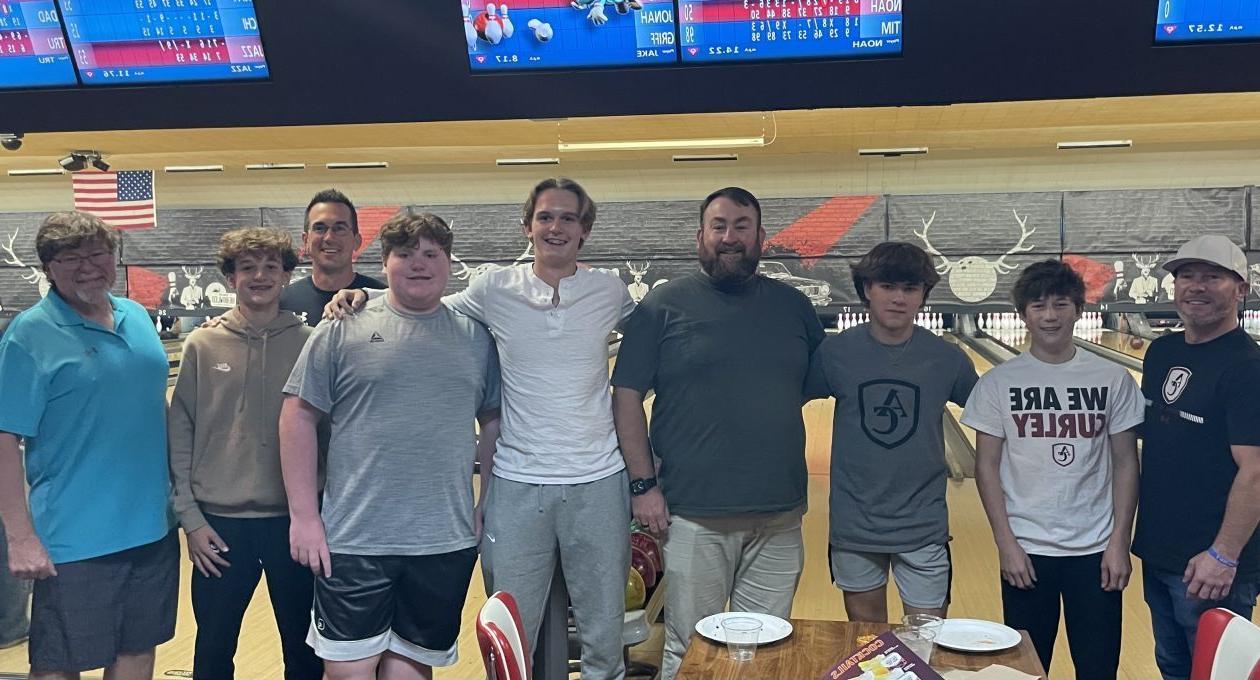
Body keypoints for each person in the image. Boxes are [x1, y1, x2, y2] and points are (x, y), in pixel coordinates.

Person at [327, 178, 636, 678]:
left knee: (604, 637)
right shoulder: (495, 288)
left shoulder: (608, 291)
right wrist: (360, 296)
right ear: (527, 226)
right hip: (515, 484)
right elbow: (423, 303)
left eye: (567, 218)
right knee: (511, 640)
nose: (555, 227)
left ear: (585, 231)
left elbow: (658, 339)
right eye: (545, 217)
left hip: (597, 480)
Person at [610, 187, 825, 680]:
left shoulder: (793, 307)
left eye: (742, 226)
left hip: (779, 516)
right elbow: (625, 398)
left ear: (761, 237)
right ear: (701, 237)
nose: (731, 237)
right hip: (693, 517)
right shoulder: (663, 306)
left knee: (766, 651)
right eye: (720, 226)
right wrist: (643, 486)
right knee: (693, 650)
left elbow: (813, 383)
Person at [281, 212, 501, 680]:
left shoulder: (475, 336)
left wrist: (488, 501)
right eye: (405, 254)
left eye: (430, 254)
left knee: (410, 673)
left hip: (443, 538)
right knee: (348, 673)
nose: (418, 264)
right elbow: (298, 417)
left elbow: (494, 421)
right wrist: (304, 516)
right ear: (385, 261)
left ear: (448, 262)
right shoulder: (343, 325)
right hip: (355, 537)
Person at [0, 211, 177, 678]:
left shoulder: (136, 315)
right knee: (61, 660)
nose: (87, 267)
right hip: (73, 537)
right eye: (69, 258)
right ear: (47, 268)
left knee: (139, 648)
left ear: (115, 258)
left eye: (98, 253)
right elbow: (4, 437)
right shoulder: (29, 334)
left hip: (152, 526)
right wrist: (20, 538)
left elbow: (149, 402)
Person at [961, 260, 1142, 677]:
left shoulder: (1113, 378)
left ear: (1078, 310)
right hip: (1026, 551)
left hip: (1095, 552)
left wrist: (1119, 542)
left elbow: (1125, 462)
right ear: (1023, 313)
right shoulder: (998, 382)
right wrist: (1006, 544)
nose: (1050, 315)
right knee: (1025, 671)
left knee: (1098, 669)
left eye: (1061, 304)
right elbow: (985, 467)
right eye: (1039, 305)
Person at [168, 227, 323, 680]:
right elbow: (181, 433)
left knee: (305, 650)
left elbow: (328, 434)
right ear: (231, 277)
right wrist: (191, 520)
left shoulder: (310, 342)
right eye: (247, 268)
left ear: (286, 275)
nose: (260, 276)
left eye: (271, 267)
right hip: (219, 525)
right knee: (213, 651)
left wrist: (317, 514)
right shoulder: (201, 344)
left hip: (292, 523)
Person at [804, 242, 978, 623]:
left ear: (923, 296)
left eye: (910, 288)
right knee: (871, 649)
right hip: (855, 527)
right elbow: (782, 404)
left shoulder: (948, 359)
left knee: (927, 648)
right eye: (887, 286)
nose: (898, 298)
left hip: (924, 527)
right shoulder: (834, 354)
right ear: (867, 289)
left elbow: (992, 418)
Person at [1132, 234, 1260, 680]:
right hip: (1159, 550)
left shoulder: (1248, 367)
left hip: (1212, 563)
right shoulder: (1162, 352)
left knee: (1217, 673)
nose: (1196, 286)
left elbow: (1256, 471)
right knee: (1173, 665)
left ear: (1241, 288)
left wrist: (1223, 555)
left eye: (1213, 277)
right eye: (1187, 276)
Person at [280, 189, 385, 325]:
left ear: (357, 241)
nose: (329, 237)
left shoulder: (381, 298)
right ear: (306, 241)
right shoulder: (283, 302)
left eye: (339, 228)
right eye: (319, 228)